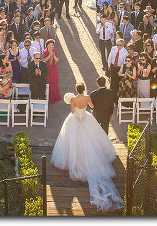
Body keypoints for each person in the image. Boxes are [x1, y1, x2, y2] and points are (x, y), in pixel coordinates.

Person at [50, 83, 124, 212]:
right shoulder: (88, 97)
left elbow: (72, 112)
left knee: (72, 141)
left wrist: (73, 104)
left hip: (74, 121)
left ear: (76, 90)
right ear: (83, 90)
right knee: (91, 140)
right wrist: (84, 106)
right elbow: (92, 106)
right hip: (85, 118)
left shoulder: (73, 99)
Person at [107, 39, 129, 104]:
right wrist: (109, 65)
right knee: (112, 83)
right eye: (117, 45)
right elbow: (110, 57)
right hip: (113, 67)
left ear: (123, 45)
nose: (119, 46)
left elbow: (124, 63)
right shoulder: (113, 49)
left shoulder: (125, 52)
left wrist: (121, 71)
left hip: (120, 68)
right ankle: (111, 98)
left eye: (120, 45)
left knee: (117, 84)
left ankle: (117, 99)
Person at [42, 38, 61, 103]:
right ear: (47, 45)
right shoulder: (45, 52)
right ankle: (48, 97)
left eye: (52, 45)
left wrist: (54, 55)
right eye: (50, 45)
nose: (51, 46)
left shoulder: (55, 51)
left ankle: (54, 96)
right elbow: (44, 60)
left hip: (54, 69)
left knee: (54, 82)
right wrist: (49, 55)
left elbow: (57, 60)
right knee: (48, 82)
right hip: (47, 69)